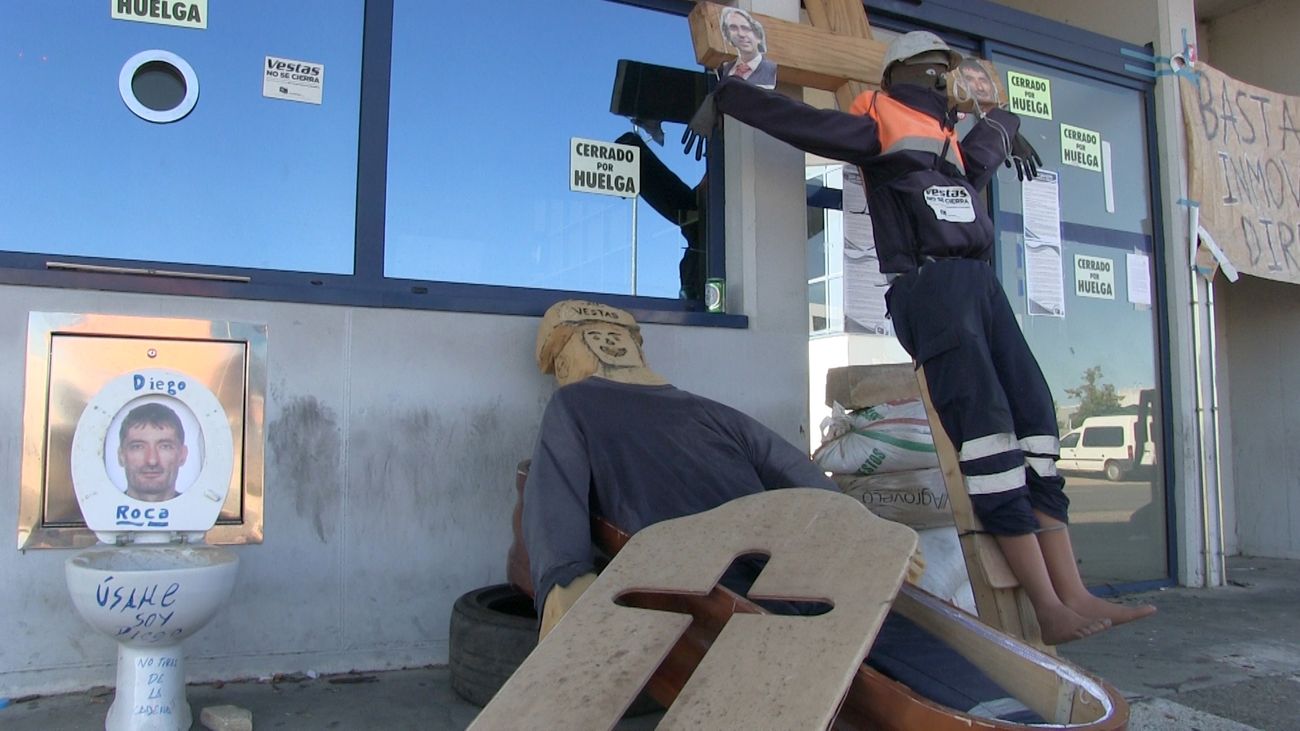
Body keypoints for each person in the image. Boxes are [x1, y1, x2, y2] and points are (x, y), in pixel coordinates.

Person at [682, 31, 1154, 644]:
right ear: (911, 75)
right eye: (941, 71)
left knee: (1036, 421)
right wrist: (729, 96)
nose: (951, 81)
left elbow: (989, 142)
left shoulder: (951, 144)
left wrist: (1007, 123)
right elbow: (804, 123)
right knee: (986, 436)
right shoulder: (881, 126)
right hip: (929, 290)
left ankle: (1075, 591)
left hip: (980, 286)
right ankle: (1048, 606)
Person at [520, 299, 1043, 721]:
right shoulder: (576, 407)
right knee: (796, 635)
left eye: (615, 333)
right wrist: (564, 577)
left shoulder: (705, 409)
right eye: (590, 334)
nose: (608, 340)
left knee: (866, 614)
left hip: (782, 543)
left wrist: (855, 526)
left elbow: (791, 468)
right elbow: (554, 489)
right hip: (696, 566)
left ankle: (1007, 711)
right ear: (567, 355)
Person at [117, 402, 189, 503]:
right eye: (138, 447)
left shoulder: (202, 516)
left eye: (165, 446)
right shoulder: (98, 515)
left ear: (182, 455)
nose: (152, 460)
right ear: (121, 456)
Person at [719, 7, 777, 89]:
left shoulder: (769, 68)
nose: (741, 34)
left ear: (758, 36)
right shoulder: (727, 69)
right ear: (728, 35)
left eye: (746, 28)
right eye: (733, 28)